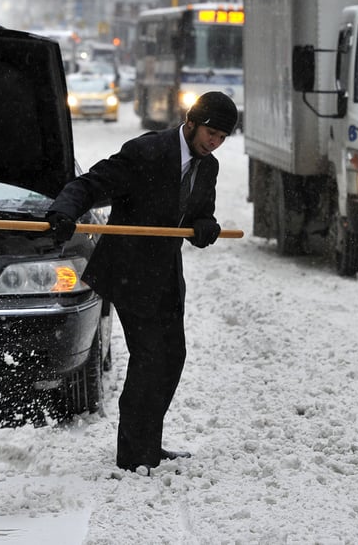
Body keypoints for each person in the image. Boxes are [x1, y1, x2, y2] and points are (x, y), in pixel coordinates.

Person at [46, 91, 238, 474]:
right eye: (211, 133)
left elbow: (198, 217)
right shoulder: (147, 152)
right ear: (191, 121)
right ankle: (135, 455)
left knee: (172, 358)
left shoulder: (209, 167)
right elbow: (91, 184)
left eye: (222, 137)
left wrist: (203, 228)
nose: (214, 142)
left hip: (165, 273)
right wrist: (63, 211)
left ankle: (148, 442)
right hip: (130, 270)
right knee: (150, 358)